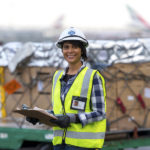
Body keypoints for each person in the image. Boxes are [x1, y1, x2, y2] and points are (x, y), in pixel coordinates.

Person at [26, 27, 106, 150]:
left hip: (83, 146)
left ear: (82, 50)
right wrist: (39, 117)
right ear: (62, 50)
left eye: (75, 46)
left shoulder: (93, 77)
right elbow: (60, 114)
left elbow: (100, 113)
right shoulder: (57, 77)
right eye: (66, 47)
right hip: (59, 144)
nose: (70, 51)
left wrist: (72, 118)